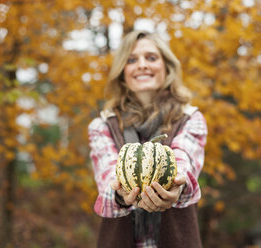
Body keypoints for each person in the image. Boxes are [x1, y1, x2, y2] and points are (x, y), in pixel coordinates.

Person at [88, 30, 207, 248]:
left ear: (167, 67)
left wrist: (176, 188)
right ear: (122, 71)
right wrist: (122, 195)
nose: (142, 65)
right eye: (132, 60)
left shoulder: (190, 118)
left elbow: (183, 162)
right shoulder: (102, 126)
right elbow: (107, 182)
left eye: (151, 58)